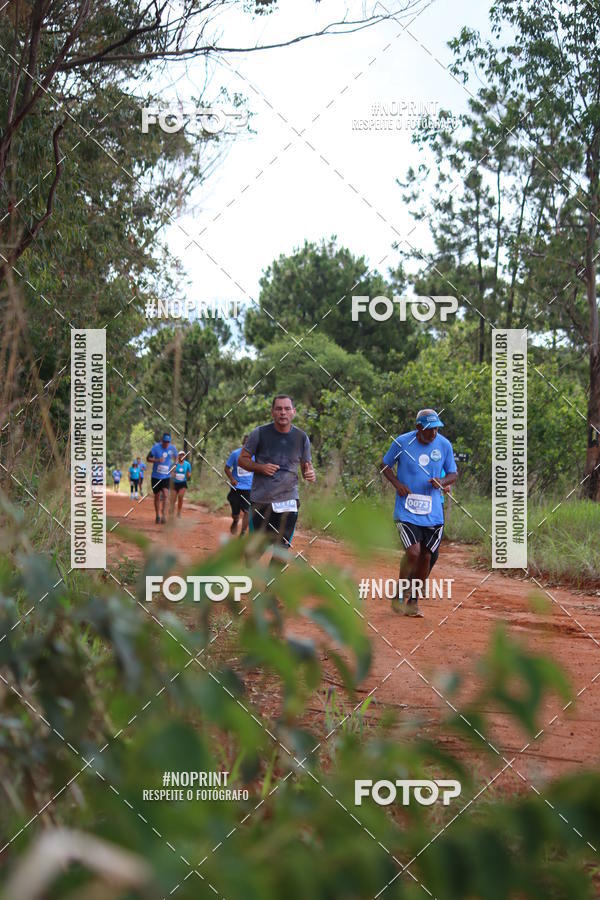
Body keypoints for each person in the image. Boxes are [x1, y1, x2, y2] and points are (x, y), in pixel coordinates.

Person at [381, 409, 457, 617]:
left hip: (433, 513)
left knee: (426, 556)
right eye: (430, 429)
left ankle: (413, 602)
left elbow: (453, 473)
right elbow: (385, 465)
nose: (434, 433)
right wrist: (397, 484)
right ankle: (399, 593)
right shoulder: (402, 442)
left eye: (436, 429)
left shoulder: (444, 445)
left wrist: (441, 482)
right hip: (407, 510)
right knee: (413, 552)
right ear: (419, 428)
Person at [239, 394, 315, 553]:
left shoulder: (301, 437)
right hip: (261, 500)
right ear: (272, 412)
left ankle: (272, 578)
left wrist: (310, 474)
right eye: (279, 409)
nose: (283, 412)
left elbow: (306, 467)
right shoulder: (259, 433)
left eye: (287, 409)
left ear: (293, 412)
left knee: (282, 548)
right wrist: (261, 467)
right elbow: (242, 460)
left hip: (288, 501)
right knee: (256, 550)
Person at [147, 432, 178, 525]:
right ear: (162, 440)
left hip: (166, 476)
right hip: (156, 477)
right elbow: (148, 458)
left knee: (165, 494)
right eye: (165, 442)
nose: (166, 444)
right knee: (157, 496)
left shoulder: (172, 448)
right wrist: (157, 460)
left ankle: (163, 514)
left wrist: (174, 466)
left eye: (168, 442)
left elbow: (176, 458)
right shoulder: (155, 447)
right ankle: (157, 515)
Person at [225, 435, 253, 536]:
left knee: (247, 511)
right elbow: (227, 468)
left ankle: (243, 532)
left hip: (249, 489)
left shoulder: (255, 456)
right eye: (246, 444)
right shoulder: (235, 454)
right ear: (243, 444)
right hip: (236, 488)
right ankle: (235, 520)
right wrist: (232, 479)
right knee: (235, 513)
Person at [171, 450, 192, 518]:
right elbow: (171, 472)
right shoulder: (175, 464)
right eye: (180, 455)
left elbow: (189, 473)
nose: (182, 456)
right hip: (175, 483)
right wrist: (173, 474)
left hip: (183, 483)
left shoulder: (187, 464)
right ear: (178, 456)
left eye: (183, 455)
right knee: (173, 499)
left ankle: (179, 512)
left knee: (180, 496)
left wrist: (188, 475)